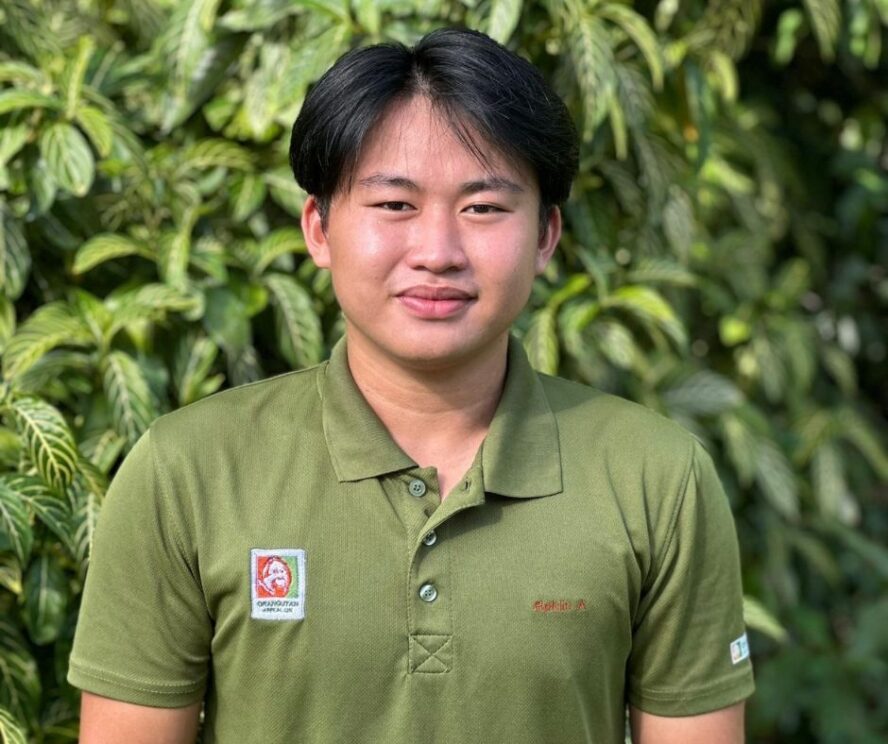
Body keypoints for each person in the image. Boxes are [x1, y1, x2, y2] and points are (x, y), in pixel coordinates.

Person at [69, 27, 754, 744]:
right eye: (395, 205)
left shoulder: (655, 476)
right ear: (319, 229)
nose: (437, 252)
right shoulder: (186, 471)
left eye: (484, 207)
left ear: (547, 235)